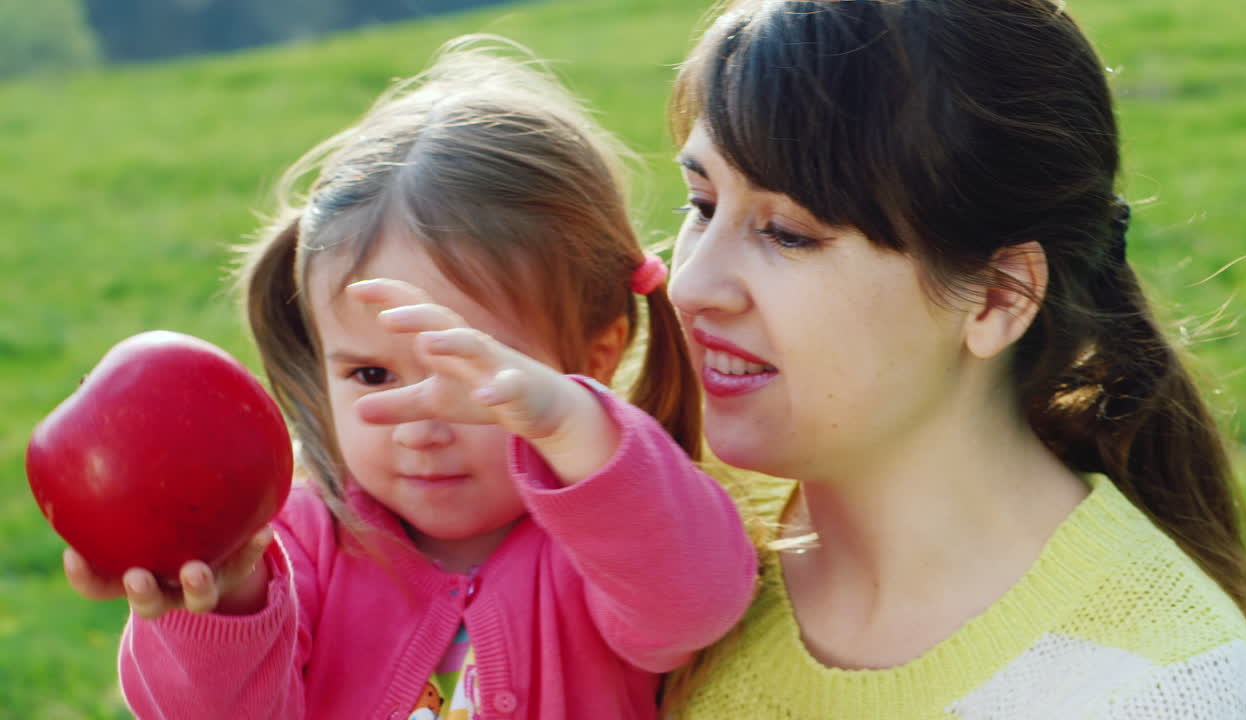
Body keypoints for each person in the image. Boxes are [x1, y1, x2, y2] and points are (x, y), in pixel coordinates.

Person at [62, 36, 757, 719]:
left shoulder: (610, 539)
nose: (421, 428)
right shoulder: (298, 546)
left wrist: (571, 424)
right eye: (371, 374)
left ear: (594, 358)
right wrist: (223, 601)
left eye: (466, 373)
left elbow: (695, 606)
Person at [660, 0, 1246, 716]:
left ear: (999, 295)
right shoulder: (655, 509)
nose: (691, 285)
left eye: (788, 234)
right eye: (702, 205)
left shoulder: (1156, 691)